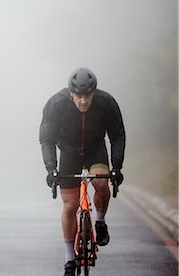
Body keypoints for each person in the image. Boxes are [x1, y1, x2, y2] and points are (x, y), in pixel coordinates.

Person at [39, 67, 125, 276]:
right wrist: (51, 168)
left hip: (95, 150)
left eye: (88, 96)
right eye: (79, 96)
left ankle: (100, 221)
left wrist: (117, 167)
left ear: (94, 93)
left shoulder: (106, 103)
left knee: (101, 183)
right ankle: (70, 260)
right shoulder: (56, 104)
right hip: (69, 152)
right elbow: (47, 139)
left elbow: (117, 135)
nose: (83, 101)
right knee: (70, 206)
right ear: (71, 93)